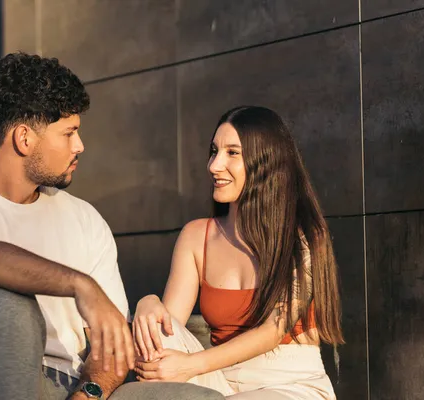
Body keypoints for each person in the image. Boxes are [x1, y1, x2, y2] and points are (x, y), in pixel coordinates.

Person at [0, 52, 224, 400]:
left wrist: (87, 394)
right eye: (68, 133)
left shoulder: (84, 219)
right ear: (24, 139)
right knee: (4, 299)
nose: (80, 146)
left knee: (197, 399)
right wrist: (80, 285)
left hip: (72, 386)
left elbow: (110, 346)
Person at [132, 106, 345, 399]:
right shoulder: (196, 236)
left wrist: (191, 366)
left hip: (289, 384)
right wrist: (147, 304)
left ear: (265, 162)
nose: (214, 165)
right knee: (154, 335)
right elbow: (170, 331)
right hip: (218, 379)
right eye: (214, 151)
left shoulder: (304, 236)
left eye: (232, 153)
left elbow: (274, 330)